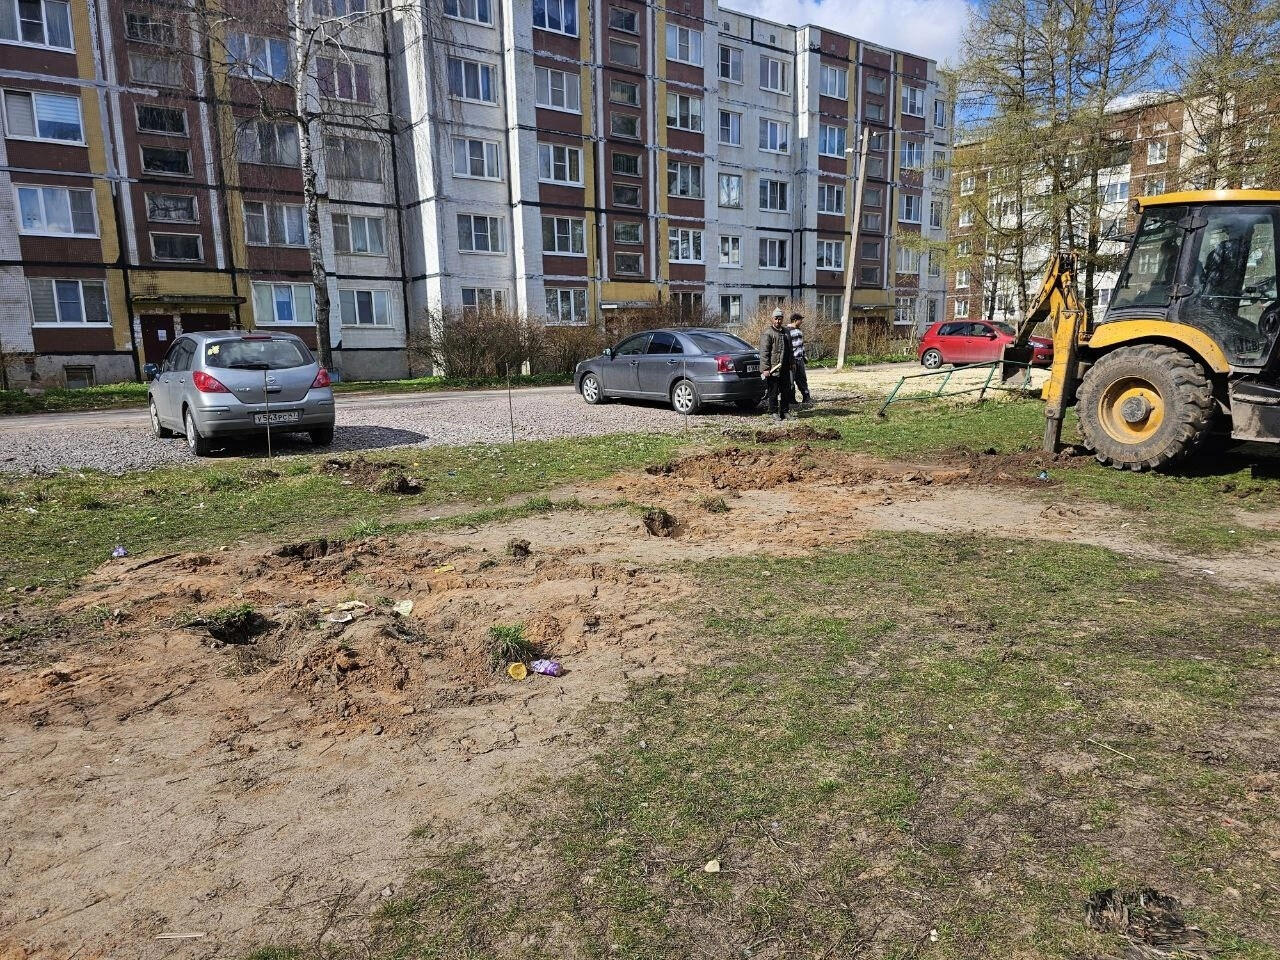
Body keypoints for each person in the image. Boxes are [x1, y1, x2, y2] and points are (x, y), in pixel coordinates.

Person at [759, 308, 795, 421]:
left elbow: (790, 349)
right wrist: (765, 368)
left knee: (786, 391)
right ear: (772, 319)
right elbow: (764, 352)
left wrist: (792, 362)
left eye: (780, 319)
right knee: (773, 391)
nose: (778, 321)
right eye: (776, 318)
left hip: (784, 367)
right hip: (773, 369)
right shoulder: (768, 333)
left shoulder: (787, 332)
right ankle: (773, 412)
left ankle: (785, 411)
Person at [787, 312, 812, 405]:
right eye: (800, 320)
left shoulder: (799, 331)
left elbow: (801, 346)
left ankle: (806, 397)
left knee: (802, 379)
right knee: (790, 380)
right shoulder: (787, 331)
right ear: (795, 320)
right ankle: (791, 399)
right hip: (792, 360)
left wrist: (804, 356)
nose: (801, 321)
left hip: (800, 359)